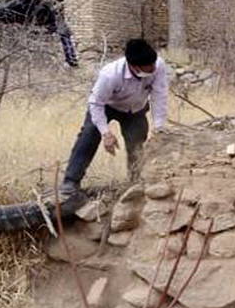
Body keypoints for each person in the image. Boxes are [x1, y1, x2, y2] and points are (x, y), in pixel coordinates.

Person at [60, 38, 168, 197]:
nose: (153, 69)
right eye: (148, 68)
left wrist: (159, 127)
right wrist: (106, 133)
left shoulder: (158, 65)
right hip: (107, 106)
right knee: (89, 135)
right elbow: (96, 103)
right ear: (133, 66)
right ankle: (71, 181)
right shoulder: (110, 74)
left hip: (136, 109)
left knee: (137, 142)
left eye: (153, 65)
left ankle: (135, 181)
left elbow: (159, 95)